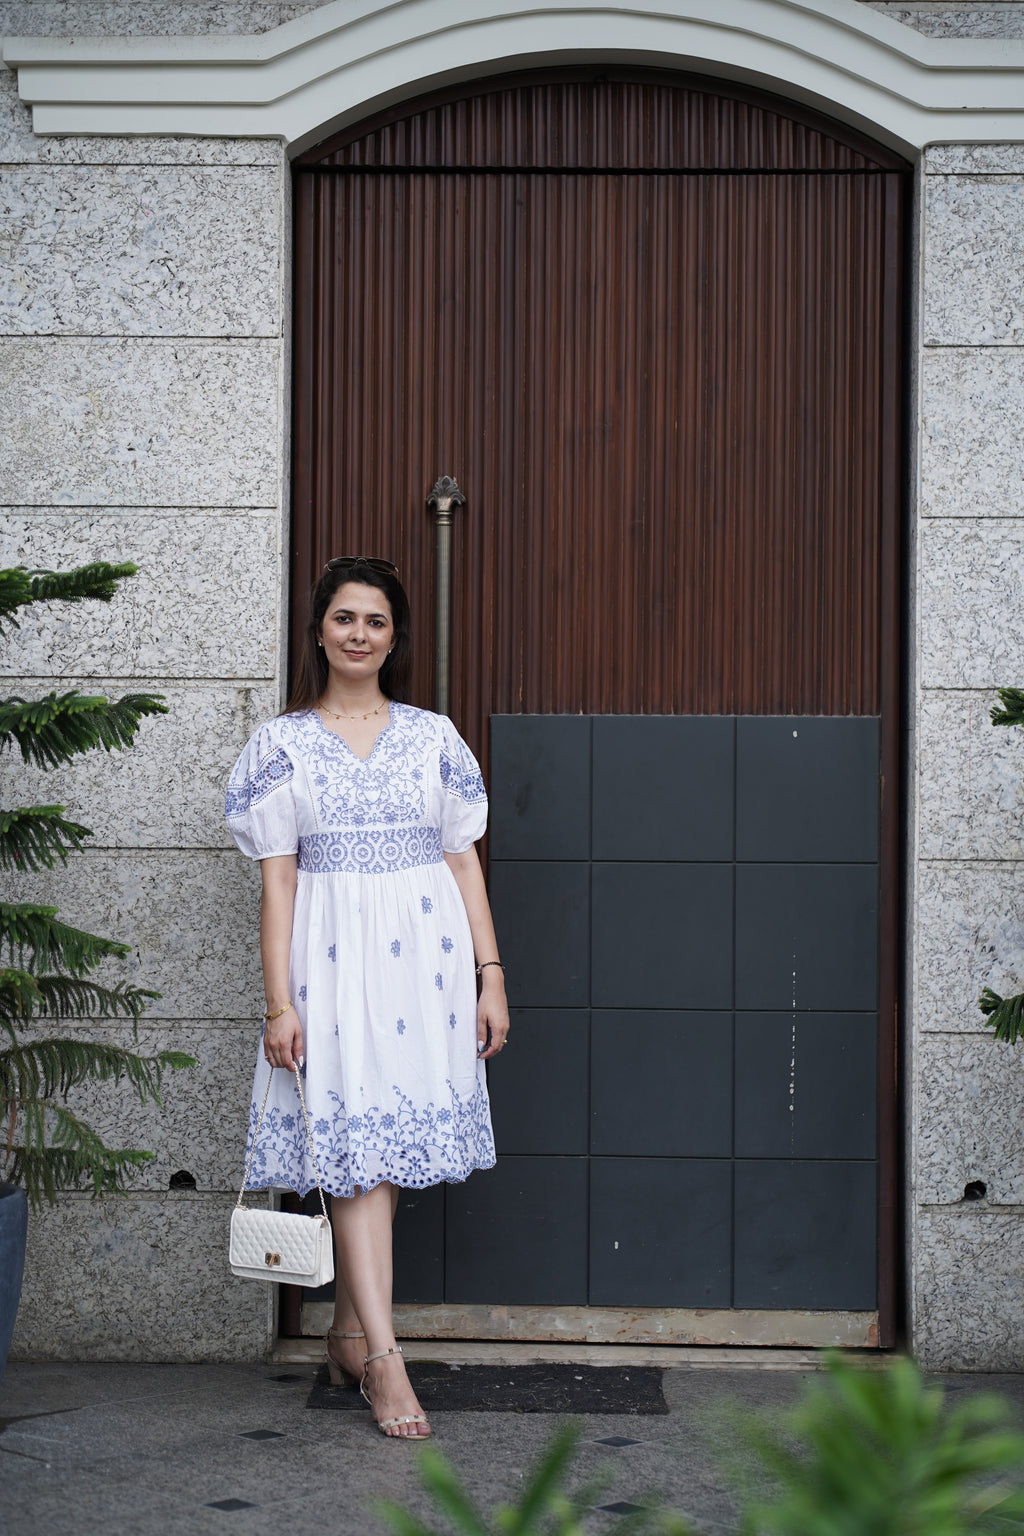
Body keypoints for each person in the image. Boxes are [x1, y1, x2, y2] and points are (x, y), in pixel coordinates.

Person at [224, 555, 508, 1438]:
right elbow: (278, 885)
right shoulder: (280, 744)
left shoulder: (433, 737)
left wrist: (490, 974)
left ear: (394, 637)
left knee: (378, 1152)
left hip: (424, 963)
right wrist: (279, 1003)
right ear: (319, 631)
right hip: (331, 964)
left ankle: (349, 1333)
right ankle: (385, 1358)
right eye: (344, 617)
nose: (359, 634)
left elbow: (464, 861)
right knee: (351, 1147)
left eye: (376, 621)